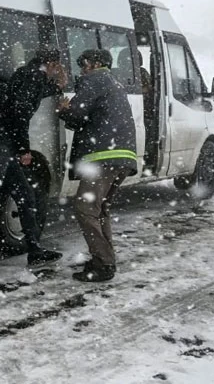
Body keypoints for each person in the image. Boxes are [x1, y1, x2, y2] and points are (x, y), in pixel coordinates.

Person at [0, 47, 66, 267]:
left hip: (0, 142)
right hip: (0, 144)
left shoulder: (28, 74)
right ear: (52, 64)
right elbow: (20, 112)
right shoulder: (32, 76)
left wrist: (56, 87)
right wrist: (23, 149)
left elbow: (30, 94)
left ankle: (34, 249)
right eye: (58, 67)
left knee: (25, 195)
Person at [58, 49, 137, 282]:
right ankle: (104, 258)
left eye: (84, 64)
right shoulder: (114, 82)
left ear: (96, 64)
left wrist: (63, 109)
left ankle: (104, 265)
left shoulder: (93, 80)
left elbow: (77, 115)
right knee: (100, 209)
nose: (82, 69)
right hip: (122, 157)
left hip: (103, 157)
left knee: (85, 208)